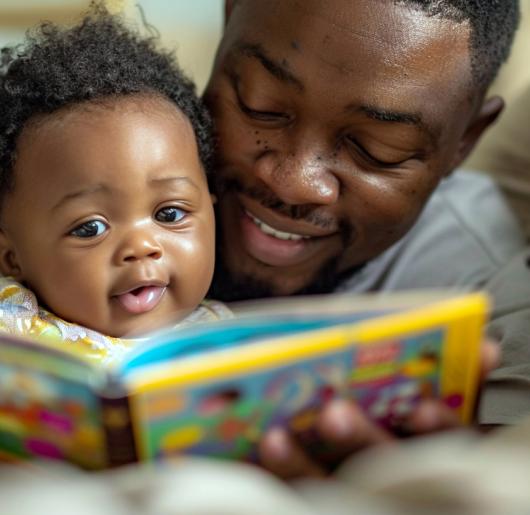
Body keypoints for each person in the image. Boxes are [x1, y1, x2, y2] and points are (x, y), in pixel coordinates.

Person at [202, 0, 526, 477]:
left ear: (463, 142)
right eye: (261, 106)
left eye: (377, 150)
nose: (293, 181)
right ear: (228, 26)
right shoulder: (110, 150)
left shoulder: (496, 296)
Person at [0, 7, 230, 362]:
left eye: (169, 213)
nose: (141, 246)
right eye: (90, 228)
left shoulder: (232, 337)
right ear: (11, 257)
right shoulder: (14, 327)